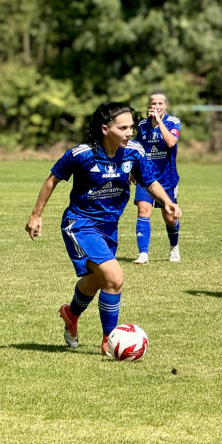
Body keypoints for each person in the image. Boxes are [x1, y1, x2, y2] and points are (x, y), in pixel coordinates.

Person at [25, 102, 182, 354]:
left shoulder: (134, 152)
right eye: (123, 128)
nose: (130, 132)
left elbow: (150, 181)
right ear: (105, 129)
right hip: (80, 224)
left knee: (97, 280)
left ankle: (71, 313)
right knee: (114, 277)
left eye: (131, 126)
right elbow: (52, 179)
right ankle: (110, 340)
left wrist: (167, 202)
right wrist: (36, 215)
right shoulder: (82, 154)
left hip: (109, 227)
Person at [133, 92, 182, 264]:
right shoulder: (142, 125)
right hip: (145, 176)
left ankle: (174, 247)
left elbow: (170, 142)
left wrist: (159, 122)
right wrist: (133, 171)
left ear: (165, 106)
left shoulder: (173, 122)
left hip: (166, 178)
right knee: (143, 210)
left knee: (169, 217)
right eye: (153, 103)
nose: (156, 106)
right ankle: (143, 253)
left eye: (160, 103)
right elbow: (137, 150)